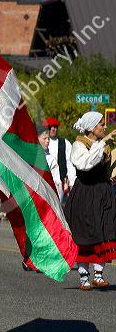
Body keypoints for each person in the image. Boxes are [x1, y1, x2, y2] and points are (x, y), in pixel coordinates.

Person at [64, 111, 116, 290]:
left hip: (103, 191)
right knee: (85, 234)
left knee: (105, 230)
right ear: (92, 128)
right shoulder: (79, 145)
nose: (104, 127)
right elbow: (85, 164)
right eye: (101, 124)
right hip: (86, 193)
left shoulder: (105, 145)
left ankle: (99, 275)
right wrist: (102, 143)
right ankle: (84, 277)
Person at [42, 117, 76, 201]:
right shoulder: (41, 143)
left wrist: (72, 182)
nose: (53, 129)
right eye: (50, 127)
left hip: (61, 183)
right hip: (45, 182)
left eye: (55, 127)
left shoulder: (65, 143)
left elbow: (70, 163)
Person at [37, 124, 63, 199]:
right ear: (37, 138)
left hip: (47, 195)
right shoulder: (31, 156)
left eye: (48, 138)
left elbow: (57, 181)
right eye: (44, 138)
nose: (47, 141)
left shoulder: (51, 159)